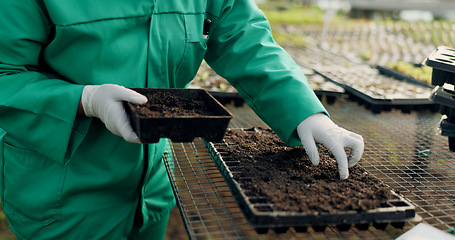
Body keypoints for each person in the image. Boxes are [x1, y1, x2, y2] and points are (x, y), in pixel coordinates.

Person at [0, 0, 364, 239]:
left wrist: (306, 112)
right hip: (64, 196)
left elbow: (242, 35)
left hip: (152, 189)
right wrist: (86, 100)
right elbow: (5, 73)